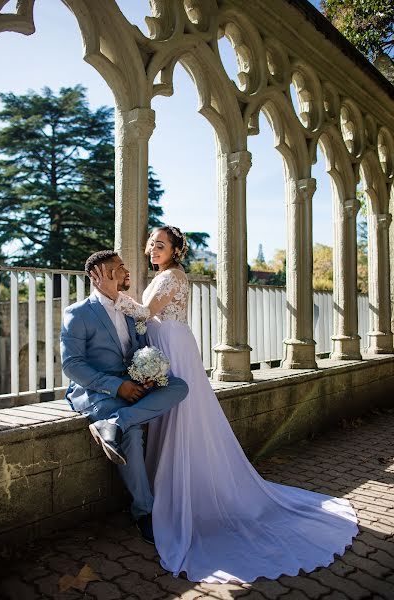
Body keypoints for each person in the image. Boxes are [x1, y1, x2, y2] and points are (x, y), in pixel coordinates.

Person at [92, 227, 358, 583]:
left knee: (182, 416)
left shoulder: (173, 275)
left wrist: (110, 293)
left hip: (174, 346)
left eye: (161, 245)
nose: (153, 249)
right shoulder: (161, 275)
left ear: (174, 251)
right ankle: (163, 488)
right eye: (151, 244)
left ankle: (189, 490)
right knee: (166, 416)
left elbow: (144, 313)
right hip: (163, 345)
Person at [60, 250, 189, 545]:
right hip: (97, 390)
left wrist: (143, 377)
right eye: (119, 268)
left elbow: (140, 348)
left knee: (179, 386)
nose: (126, 271)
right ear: (99, 275)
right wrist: (116, 388)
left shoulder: (130, 310)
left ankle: (114, 423)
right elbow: (72, 365)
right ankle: (144, 512)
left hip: (132, 383)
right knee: (132, 433)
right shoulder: (78, 313)